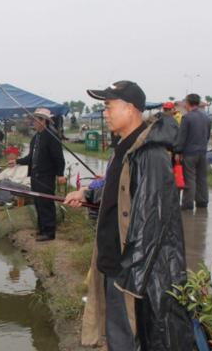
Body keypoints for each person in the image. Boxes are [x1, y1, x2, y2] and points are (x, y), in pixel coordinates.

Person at [64, 80, 192, 351]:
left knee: (132, 338)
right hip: (115, 265)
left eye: (109, 106)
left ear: (131, 108)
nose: (105, 113)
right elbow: (118, 191)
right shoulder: (124, 147)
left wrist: (128, 278)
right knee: (117, 337)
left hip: (134, 275)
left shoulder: (151, 155)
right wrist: (87, 194)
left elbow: (152, 224)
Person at [13, 108, 65, 241]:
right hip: (36, 176)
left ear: (44, 121)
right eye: (33, 120)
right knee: (38, 203)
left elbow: (59, 157)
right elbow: (31, 157)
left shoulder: (52, 136)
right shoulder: (36, 137)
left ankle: (49, 233)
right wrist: (17, 161)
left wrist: (60, 174)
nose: (33, 123)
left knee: (46, 204)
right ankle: (42, 229)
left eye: (35, 120)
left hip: (46, 176)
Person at [174, 93, 211, 210]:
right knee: (202, 178)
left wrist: (178, 152)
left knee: (189, 178)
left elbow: (182, 137)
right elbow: (208, 135)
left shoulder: (187, 118)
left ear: (188, 103)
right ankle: (202, 202)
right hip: (203, 152)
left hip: (190, 154)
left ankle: (187, 203)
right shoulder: (206, 117)